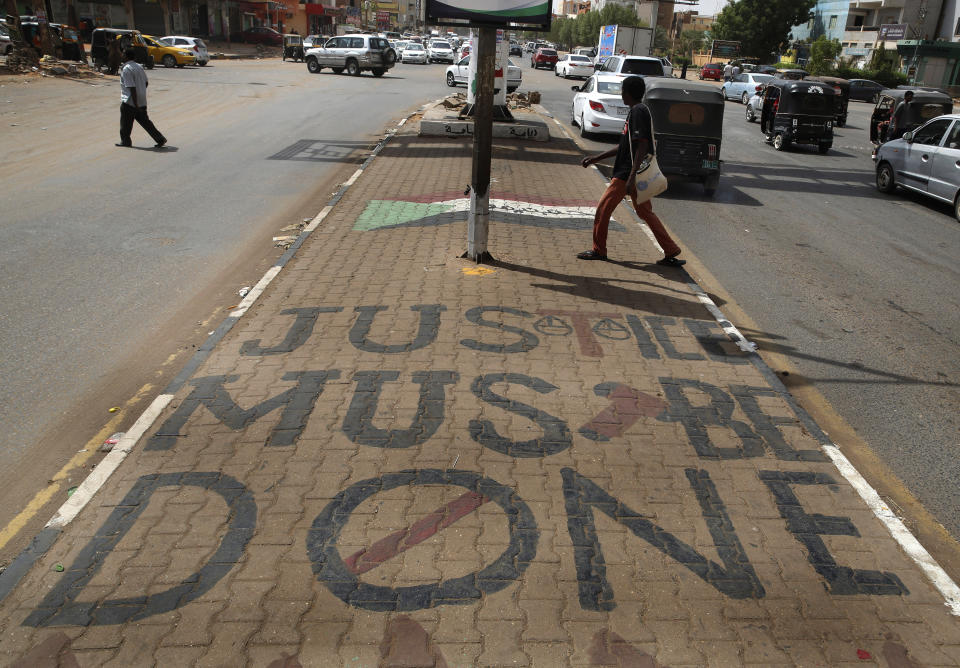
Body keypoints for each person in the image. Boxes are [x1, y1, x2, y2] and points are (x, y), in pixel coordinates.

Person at [577, 76, 683, 266]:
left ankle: (598, 250)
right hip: (632, 173)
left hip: (627, 174)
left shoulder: (638, 112)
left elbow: (642, 145)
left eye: (623, 90)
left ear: (628, 92)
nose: (621, 94)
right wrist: (596, 158)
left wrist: (631, 176)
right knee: (645, 212)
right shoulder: (636, 111)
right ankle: (671, 249)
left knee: (603, 210)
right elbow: (625, 145)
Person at [117, 48, 167, 148]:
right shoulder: (139, 67)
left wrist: (135, 104)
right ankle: (160, 139)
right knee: (146, 122)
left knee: (125, 124)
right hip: (141, 100)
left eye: (123, 54)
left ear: (126, 56)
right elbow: (146, 82)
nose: (121, 56)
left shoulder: (127, 69)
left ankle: (125, 141)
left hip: (130, 102)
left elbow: (131, 87)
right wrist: (141, 93)